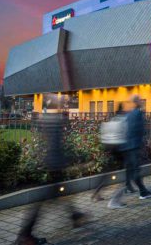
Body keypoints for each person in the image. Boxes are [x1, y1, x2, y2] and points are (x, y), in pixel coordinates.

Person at [17, 112, 88, 245]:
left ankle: (75, 216)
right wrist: (68, 160)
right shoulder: (54, 119)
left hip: (52, 163)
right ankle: (25, 235)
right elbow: (55, 146)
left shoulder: (50, 118)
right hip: (54, 164)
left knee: (60, 192)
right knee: (44, 198)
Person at [119, 96, 151, 202]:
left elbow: (125, 129)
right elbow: (142, 130)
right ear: (137, 102)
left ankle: (130, 187)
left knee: (131, 169)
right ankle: (143, 192)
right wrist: (143, 144)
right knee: (136, 170)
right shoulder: (138, 113)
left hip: (127, 146)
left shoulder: (128, 114)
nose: (141, 101)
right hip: (134, 146)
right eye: (140, 100)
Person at [92, 103, 127, 203]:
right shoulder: (123, 119)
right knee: (128, 171)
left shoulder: (112, 119)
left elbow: (104, 132)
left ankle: (97, 193)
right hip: (119, 147)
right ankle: (116, 199)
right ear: (122, 110)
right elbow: (126, 134)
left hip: (109, 147)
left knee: (107, 171)